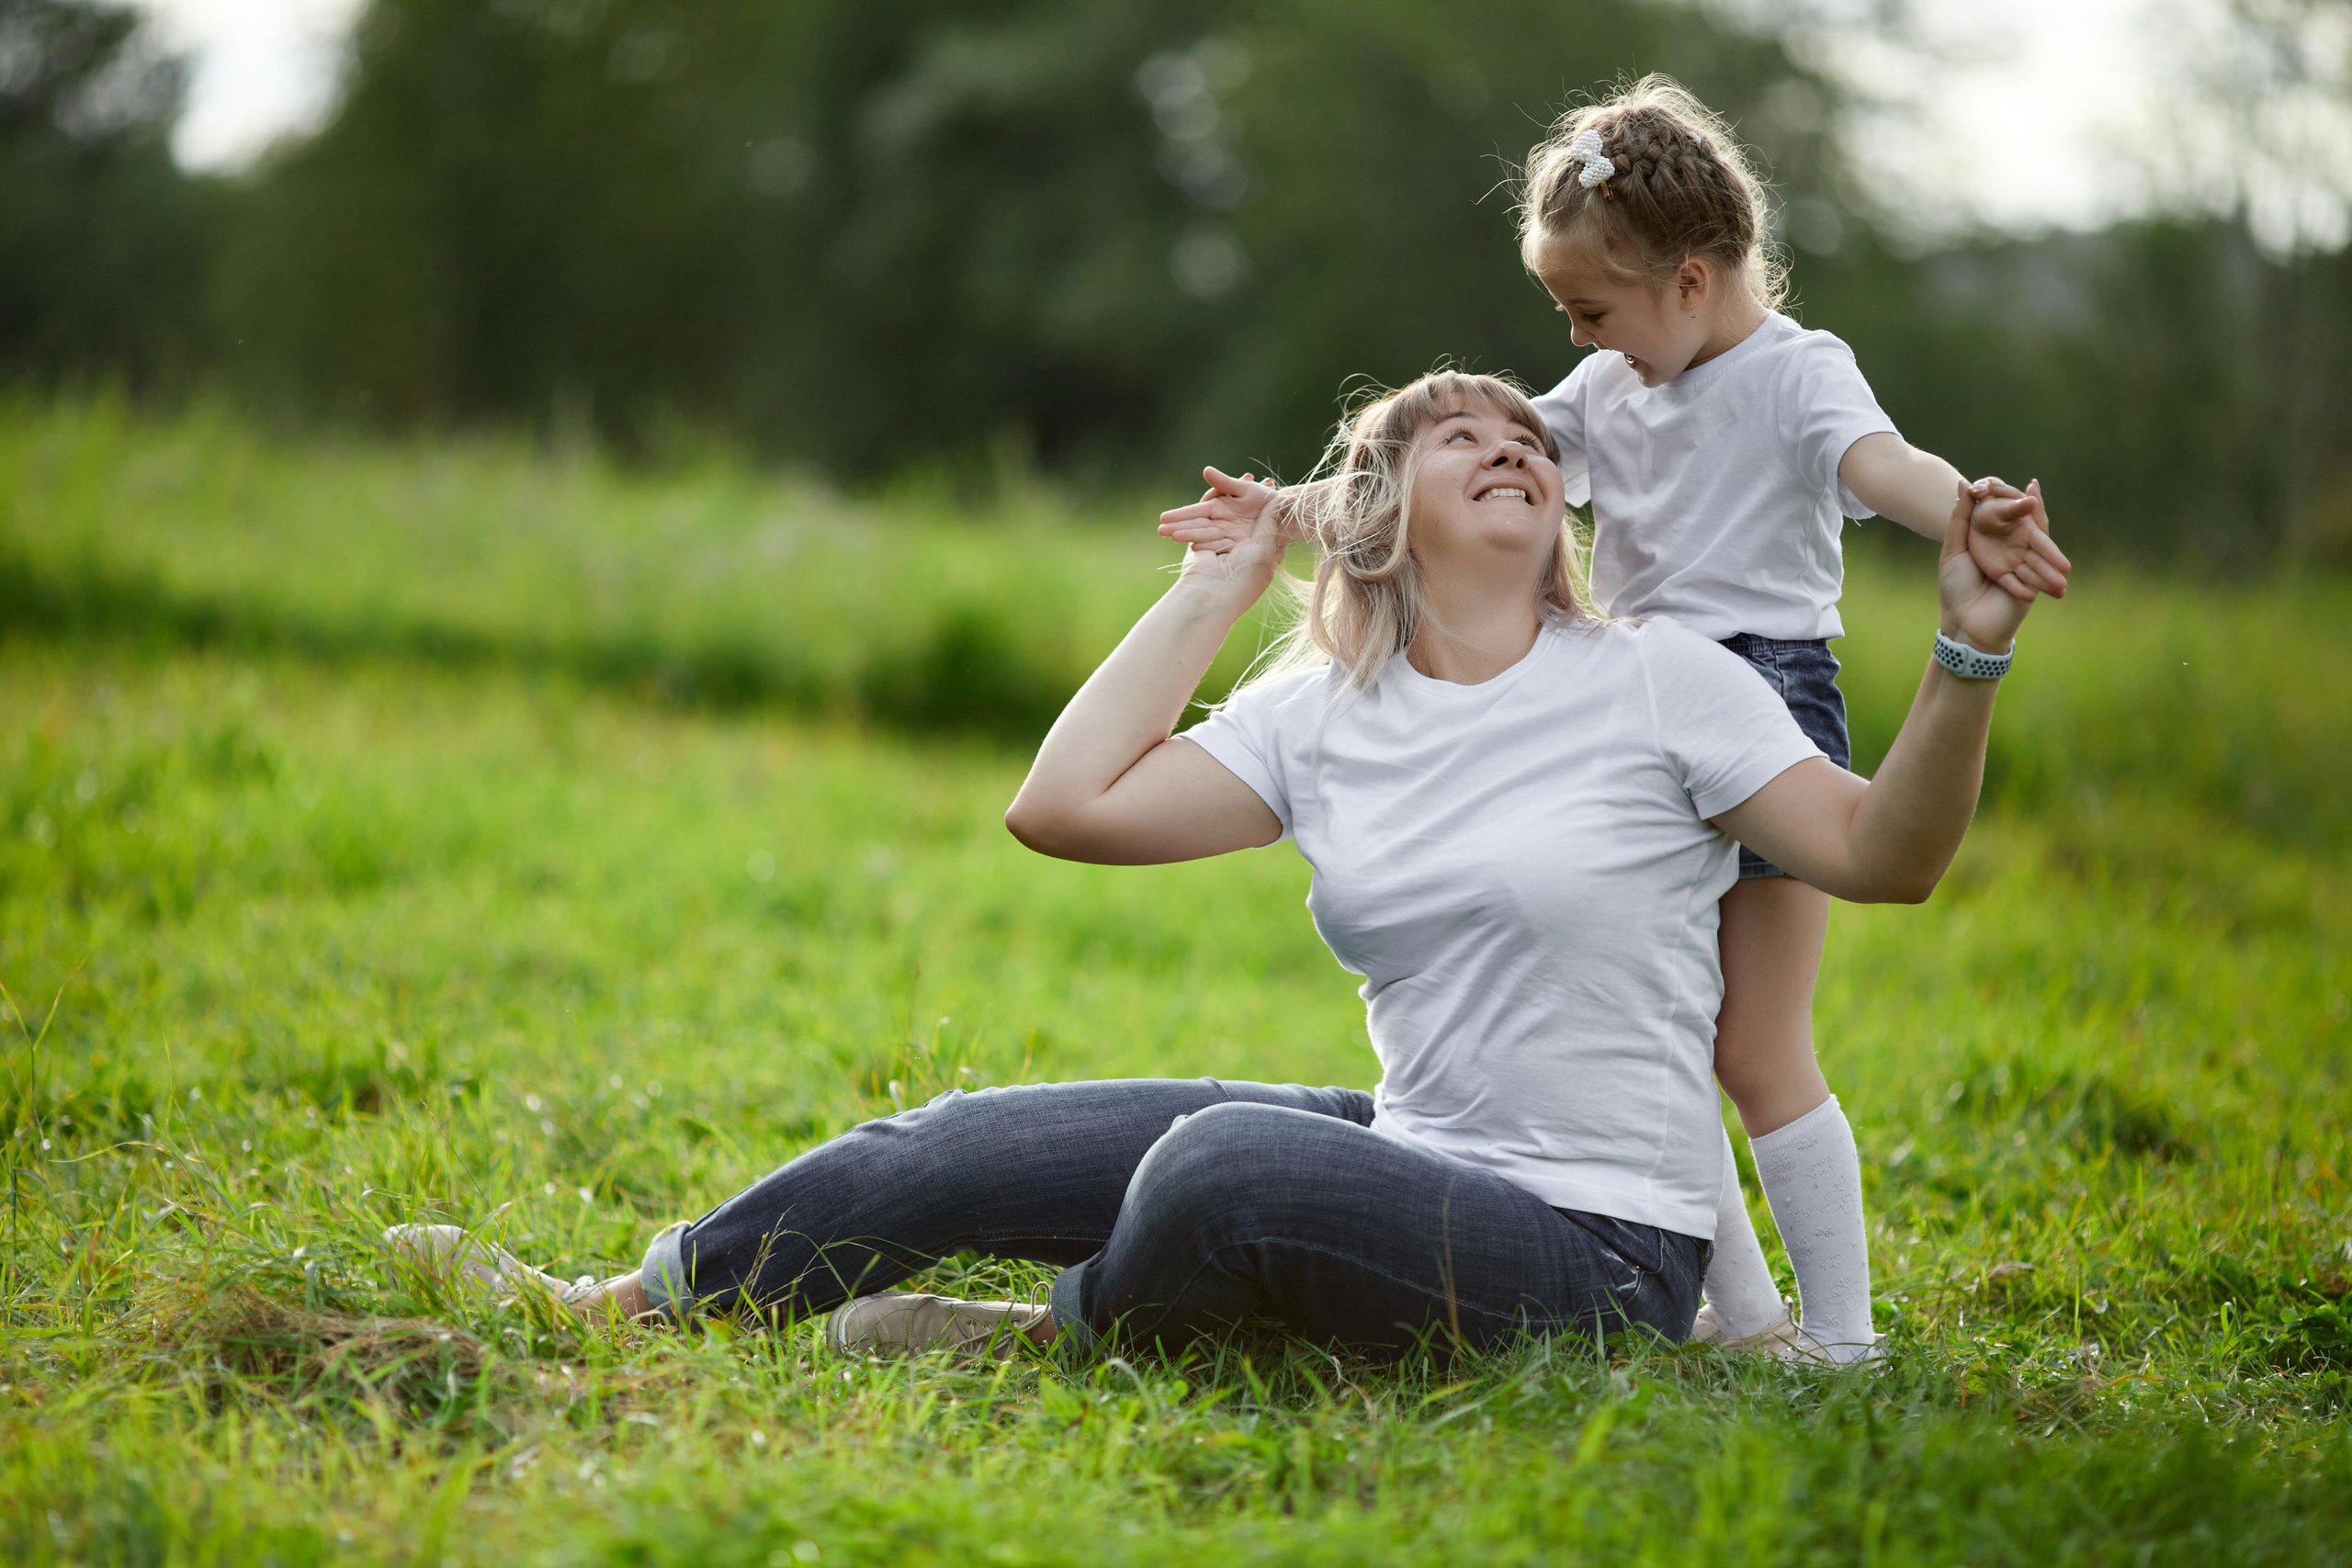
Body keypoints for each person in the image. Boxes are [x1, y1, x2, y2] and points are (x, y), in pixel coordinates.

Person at [388, 368, 2051, 1365]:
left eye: (1529, 439)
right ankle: (627, 1298)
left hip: (1603, 1247)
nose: (1512, 446)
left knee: (1228, 1166)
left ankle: (1038, 1347)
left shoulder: (1668, 681)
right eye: (1454, 434)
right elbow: (1064, 804)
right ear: (1377, 507)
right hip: (1418, 1150)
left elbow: (1884, 856)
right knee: (961, 1144)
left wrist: (1964, 656)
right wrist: (1222, 585)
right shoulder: (1327, 712)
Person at [1168, 79, 2071, 1363]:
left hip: (1758, 698)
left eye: (1593, 308)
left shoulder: (1797, 375)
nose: (1584, 335)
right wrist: (1281, 514)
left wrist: (1961, 515)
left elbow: (1881, 466)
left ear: (1691, 282)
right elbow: (1433, 477)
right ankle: (1746, 1323)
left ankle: (1846, 1338)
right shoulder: (1607, 391)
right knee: (1652, 1038)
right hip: (1618, 717)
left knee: (1756, 1042)